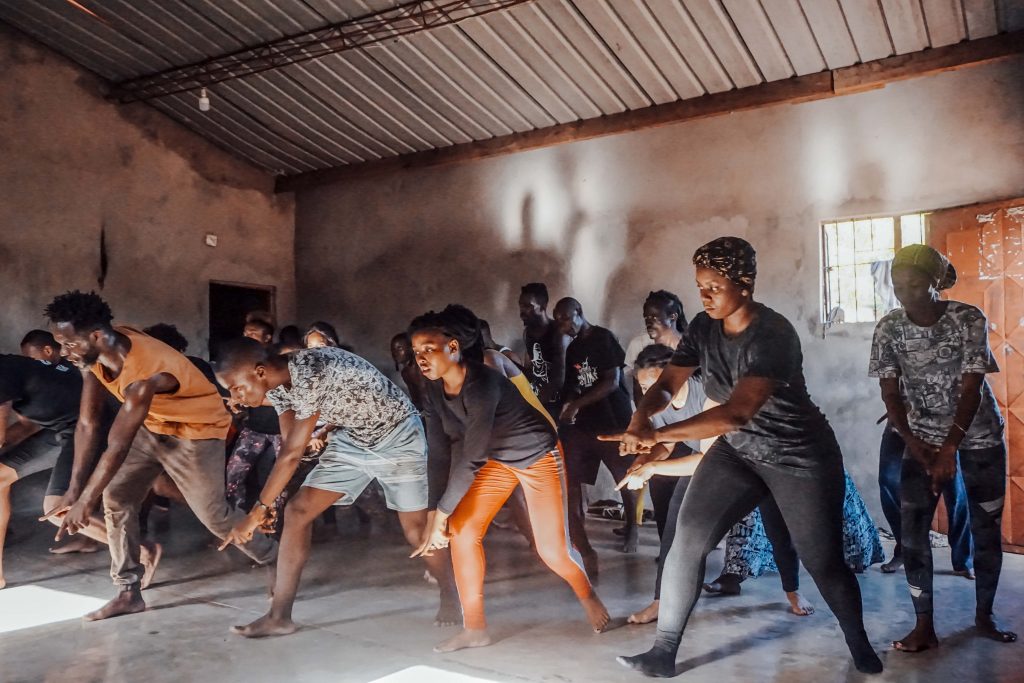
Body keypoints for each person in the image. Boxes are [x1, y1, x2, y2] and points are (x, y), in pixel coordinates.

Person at [612, 237, 882, 677]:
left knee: (823, 560)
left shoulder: (773, 334)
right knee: (687, 541)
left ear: (745, 284)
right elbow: (666, 384)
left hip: (798, 455)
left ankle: (858, 643)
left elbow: (736, 413)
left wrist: (658, 435)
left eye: (714, 286)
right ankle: (663, 652)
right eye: (700, 286)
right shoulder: (701, 328)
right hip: (738, 454)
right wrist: (641, 418)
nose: (705, 296)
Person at [44, 290, 277, 621]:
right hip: (153, 425)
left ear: (96, 335)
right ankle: (128, 591)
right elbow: (86, 423)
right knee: (117, 496)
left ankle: (274, 559)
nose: (63, 352)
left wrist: (85, 501)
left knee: (215, 516)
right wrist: (74, 490)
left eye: (68, 344)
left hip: (198, 430)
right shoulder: (95, 353)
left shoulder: (145, 372)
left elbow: (117, 444)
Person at [214, 338, 459, 637]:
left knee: (417, 531)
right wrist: (272, 499)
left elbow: (291, 453)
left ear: (260, 371)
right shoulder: (278, 385)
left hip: (397, 435)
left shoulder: (310, 371)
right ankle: (279, 616)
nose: (235, 396)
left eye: (237, 387)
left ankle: (451, 593)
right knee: (298, 510)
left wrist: (257, 511)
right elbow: (294, 443)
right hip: (353, 440)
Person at [409, 305, 609, 653]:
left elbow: (470, 457)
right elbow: (440, 454)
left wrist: (440, 516)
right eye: (417, 352)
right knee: (463, 531)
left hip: (537, 456)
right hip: (498, 461)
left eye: (429, 349)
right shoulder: (434, 391)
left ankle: (588, 595)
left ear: (453, 348)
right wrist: (433, 515)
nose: (421, 358)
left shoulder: (483, 383)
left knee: (552, 551)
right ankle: (475, 628)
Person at [870, 244, 1015, 651]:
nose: (905, 293)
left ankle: (985, 615)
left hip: (979, 437)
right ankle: (923, 626)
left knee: (987, 528)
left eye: (915, 283)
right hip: (920, 440)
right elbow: (890, 392)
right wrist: (914, 443)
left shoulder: (967, 318)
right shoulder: (888, 328)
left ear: (935, 282)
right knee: (914, 533)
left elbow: (972, 387)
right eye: (898, 285)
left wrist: (951, 446)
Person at [554, 297, 636, 567]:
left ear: (578, 312)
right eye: (559, 321)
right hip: (587, 424)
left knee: (623, 477)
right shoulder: (574, 348)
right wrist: (567, 404)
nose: (563, 326)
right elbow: (575, 383)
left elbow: (611, 382)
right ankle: (578, 536)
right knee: (573, 476)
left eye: (565, 318)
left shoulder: (603, 338)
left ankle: (632, 528)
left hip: (613, 420)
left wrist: (576, 404)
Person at [0, 353, 91, 588]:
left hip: (84, 429)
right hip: (61, 430)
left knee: (54, 510)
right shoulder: (15, 367)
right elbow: (26, 427)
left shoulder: (3, 371)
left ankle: (139, 549)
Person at [877, 421, 974, 577]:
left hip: (942, 427)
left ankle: (964, 560)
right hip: (901, 425)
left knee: (955, 493)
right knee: (888, 481)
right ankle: (904, 549)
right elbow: (889, 395)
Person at [519, 283, 569, 420]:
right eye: (520, 305)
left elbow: (560, 377)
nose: (522, 311)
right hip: (540, 400)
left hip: (558, 404)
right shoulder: (528, 333)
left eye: (528, 306)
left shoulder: (559, 333)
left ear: (543, 306)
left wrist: (535, 405)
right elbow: (530, 369)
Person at [623, 291, 687, 399]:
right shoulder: (638, 344)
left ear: (673, 317)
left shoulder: (691, 345)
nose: (649, 322)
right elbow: (637, 387)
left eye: (654, 317)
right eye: (646, 318)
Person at [391, 332, 428, 410]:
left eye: (399, 348)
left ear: (411, 348)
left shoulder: (423, 368)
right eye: (393, 349)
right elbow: (416, 400)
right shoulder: (405, 373)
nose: (395, 353)